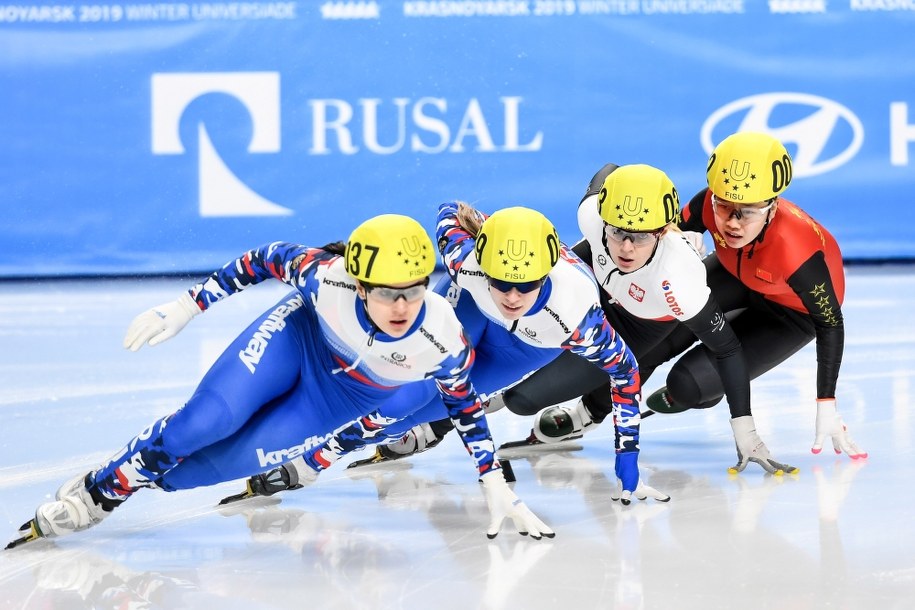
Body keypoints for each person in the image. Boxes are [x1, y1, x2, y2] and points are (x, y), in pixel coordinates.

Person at [7, 214, 552, 549]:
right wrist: (187, 307)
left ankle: (142, 474)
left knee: (200, 472)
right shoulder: (326, 279)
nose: (402, 306)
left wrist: (492, 482)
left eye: (413, 291)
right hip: (298, 341)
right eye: (387, 293)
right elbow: (261, 260)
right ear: (360, 286)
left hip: (341, 398)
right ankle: (101, 490)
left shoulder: (442, 336)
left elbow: (466, 409)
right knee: (205, 422)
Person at [230, 203, 669, 505]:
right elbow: (448, 211)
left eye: (526, 286)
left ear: (546, 276)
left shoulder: (576, 317)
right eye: (502, 282)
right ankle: (309, 451)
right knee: (403, 394)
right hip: (471, 309)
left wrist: (627, 459)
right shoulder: (466, 259)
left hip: (524, 347)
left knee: (408, 415)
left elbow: (626, 375)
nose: (511, 297)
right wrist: (479, 220)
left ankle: (317, 460)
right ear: (483, 264)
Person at [465, 163, 795, 475]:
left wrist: (746, 431)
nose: (626, 247)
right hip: (589, 285)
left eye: (641, 236)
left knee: (521, 400)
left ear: (663, 232)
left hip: (633, 326)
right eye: (618, 231)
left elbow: (727, 348)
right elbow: (609, 169)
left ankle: (586, 413)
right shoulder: (592, 215)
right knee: (496, 341)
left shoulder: (679, 278)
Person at [642, 131, 866, 461]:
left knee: (686, 384)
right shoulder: (709, 202)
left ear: (772, 208)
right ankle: (589, 409)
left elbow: (831, 324)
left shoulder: (797, 252)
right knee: (656, 328)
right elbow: (667, 231)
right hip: (736, 273)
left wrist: (826, 403)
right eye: (725, 206)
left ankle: (702, 389)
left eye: (747, 211)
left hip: (791, 315)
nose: (733, 223)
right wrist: (676, 240)